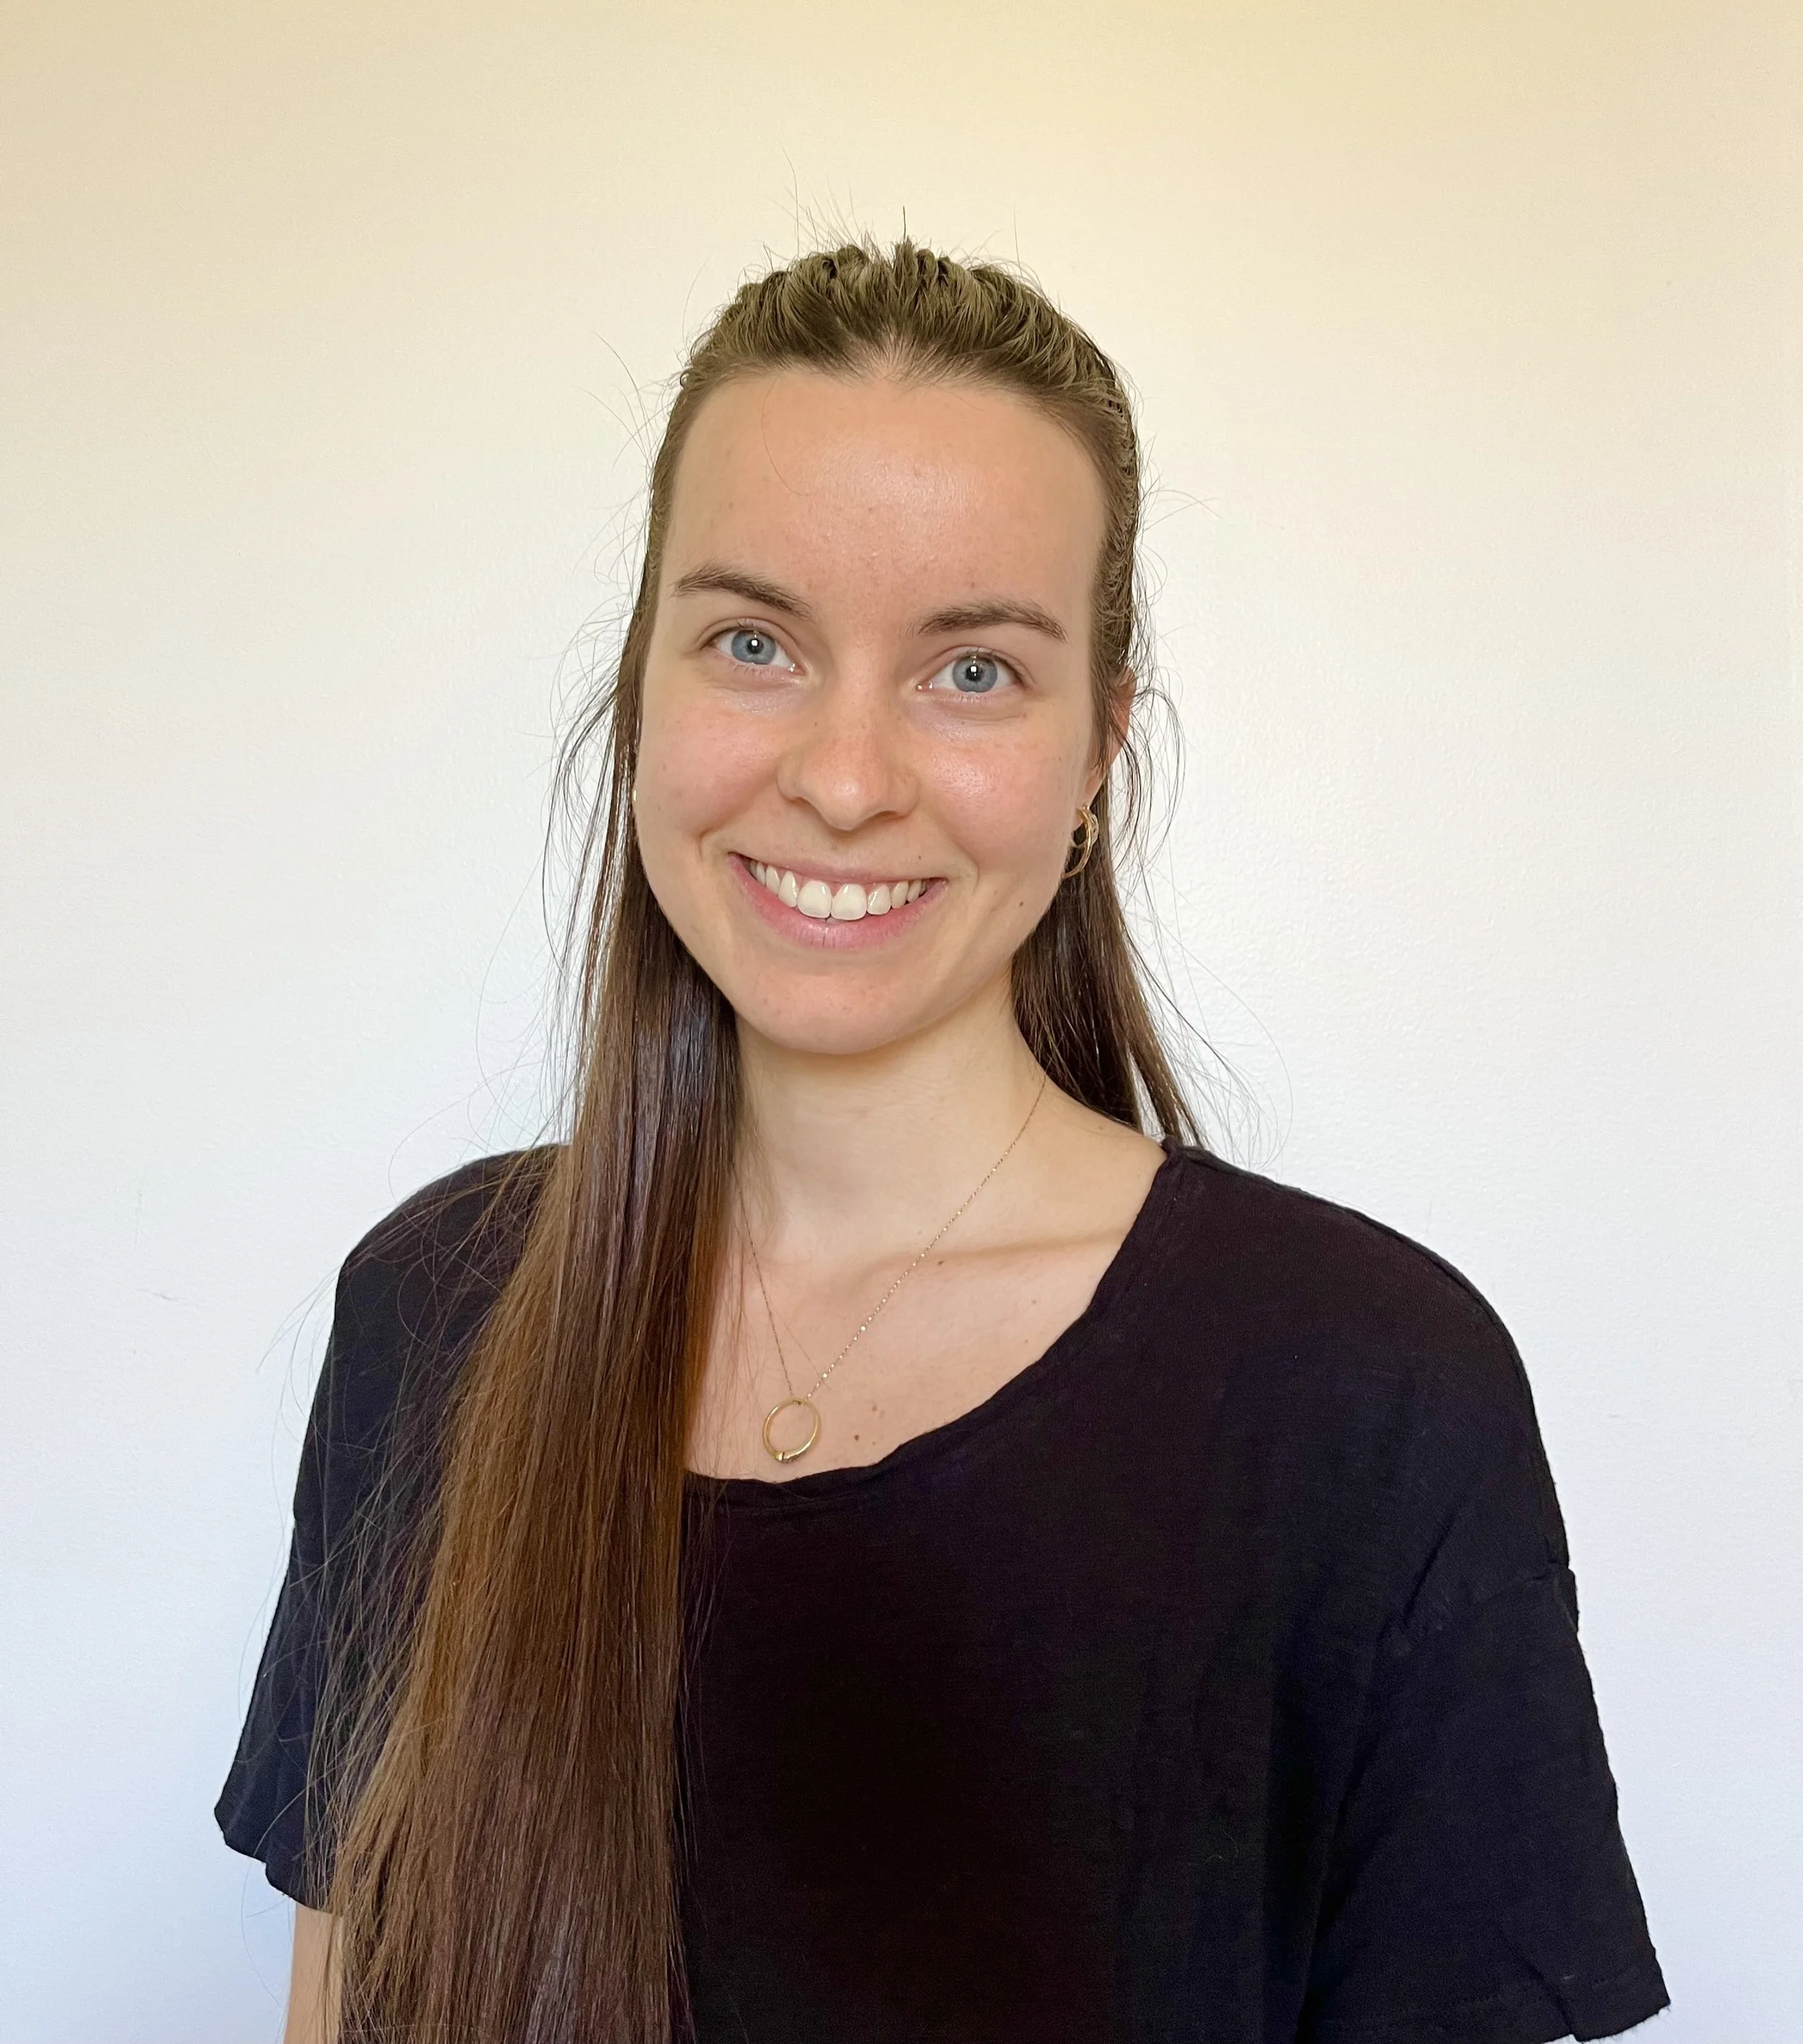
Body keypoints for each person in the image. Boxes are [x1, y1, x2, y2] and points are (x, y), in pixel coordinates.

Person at [217, 241, 1669, 2044]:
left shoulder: (1363, 1392)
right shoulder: (435, 1311)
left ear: (1092, 758)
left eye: (969, 671)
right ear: (643, 696)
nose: (841, 775)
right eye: (752, 642)